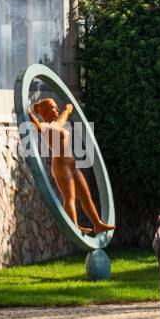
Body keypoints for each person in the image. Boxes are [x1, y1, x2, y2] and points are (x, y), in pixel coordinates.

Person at [29, 97, 114, 235]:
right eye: (53, 107)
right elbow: (41, 125)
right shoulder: (45, 127)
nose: (57, 110)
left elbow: (61, 121)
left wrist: (67, 111)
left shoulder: (56, 125)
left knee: (86, 196)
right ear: (44, 112)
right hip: (61, 167)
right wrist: (29, 114)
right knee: (70, 197)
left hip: (72, 166)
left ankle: (97, 223)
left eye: (57, 108)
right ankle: (74, 226)